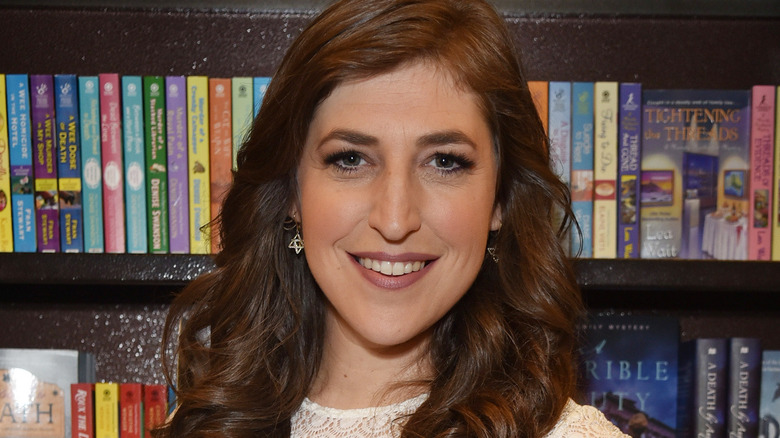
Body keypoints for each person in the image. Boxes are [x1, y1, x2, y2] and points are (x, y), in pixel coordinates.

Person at [157, 0, 629, 437]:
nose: (396, 218)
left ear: (500, 202)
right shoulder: (207, 423)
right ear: (292, 194)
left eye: (445, 161)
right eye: (350, 159)